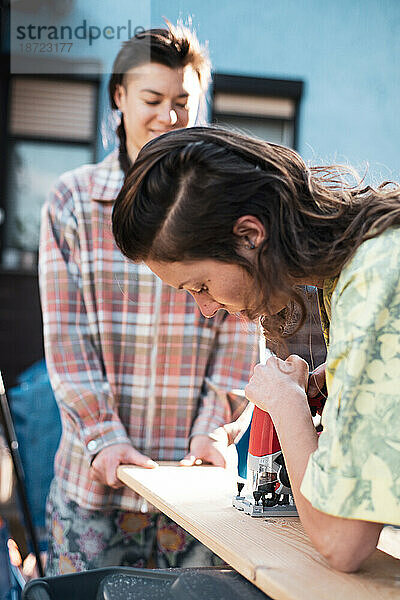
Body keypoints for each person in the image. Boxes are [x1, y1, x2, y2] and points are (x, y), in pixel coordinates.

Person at [111, 125, 400, 573]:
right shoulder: (350, 273)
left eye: (201, 285)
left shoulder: (376, 279)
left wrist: (287, 404)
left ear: (249, 235)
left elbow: (342, 542)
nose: (207, 309)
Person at [39, 30, 258, 575]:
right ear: (119, 96)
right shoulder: (72, 201)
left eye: (183, 102)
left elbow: (239, 329)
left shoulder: (221, 203)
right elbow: (66, 340)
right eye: (152, 100)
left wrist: (216, 426)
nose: (169, 117)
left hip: (193, 491)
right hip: (96, 489)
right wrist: (104, 437)